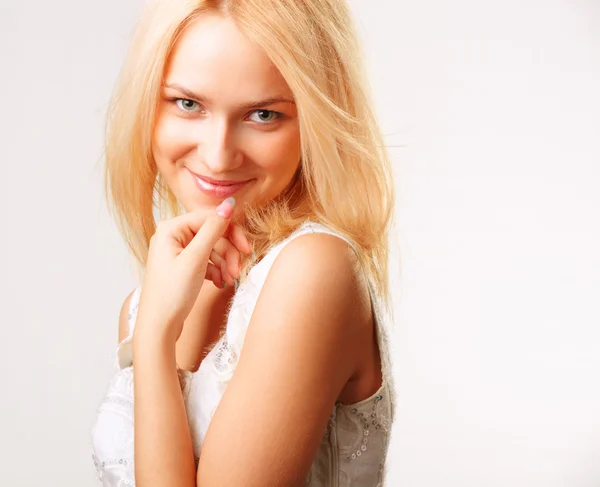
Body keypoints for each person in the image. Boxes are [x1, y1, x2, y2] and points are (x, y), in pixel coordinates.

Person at [90, 0, 396, 485]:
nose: (217, 156)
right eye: (188, 104)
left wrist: (153, 341)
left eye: (262, 114)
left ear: (315, 119)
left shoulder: (314, 272)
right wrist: (152, 326)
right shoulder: (148, 302)